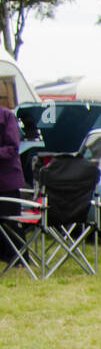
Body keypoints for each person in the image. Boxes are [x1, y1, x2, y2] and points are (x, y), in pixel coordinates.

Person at [0, 104, 23, 263]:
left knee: (10, 224)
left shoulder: (7, 116)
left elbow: (13, 147)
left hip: (6, 180)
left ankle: (17, 259)